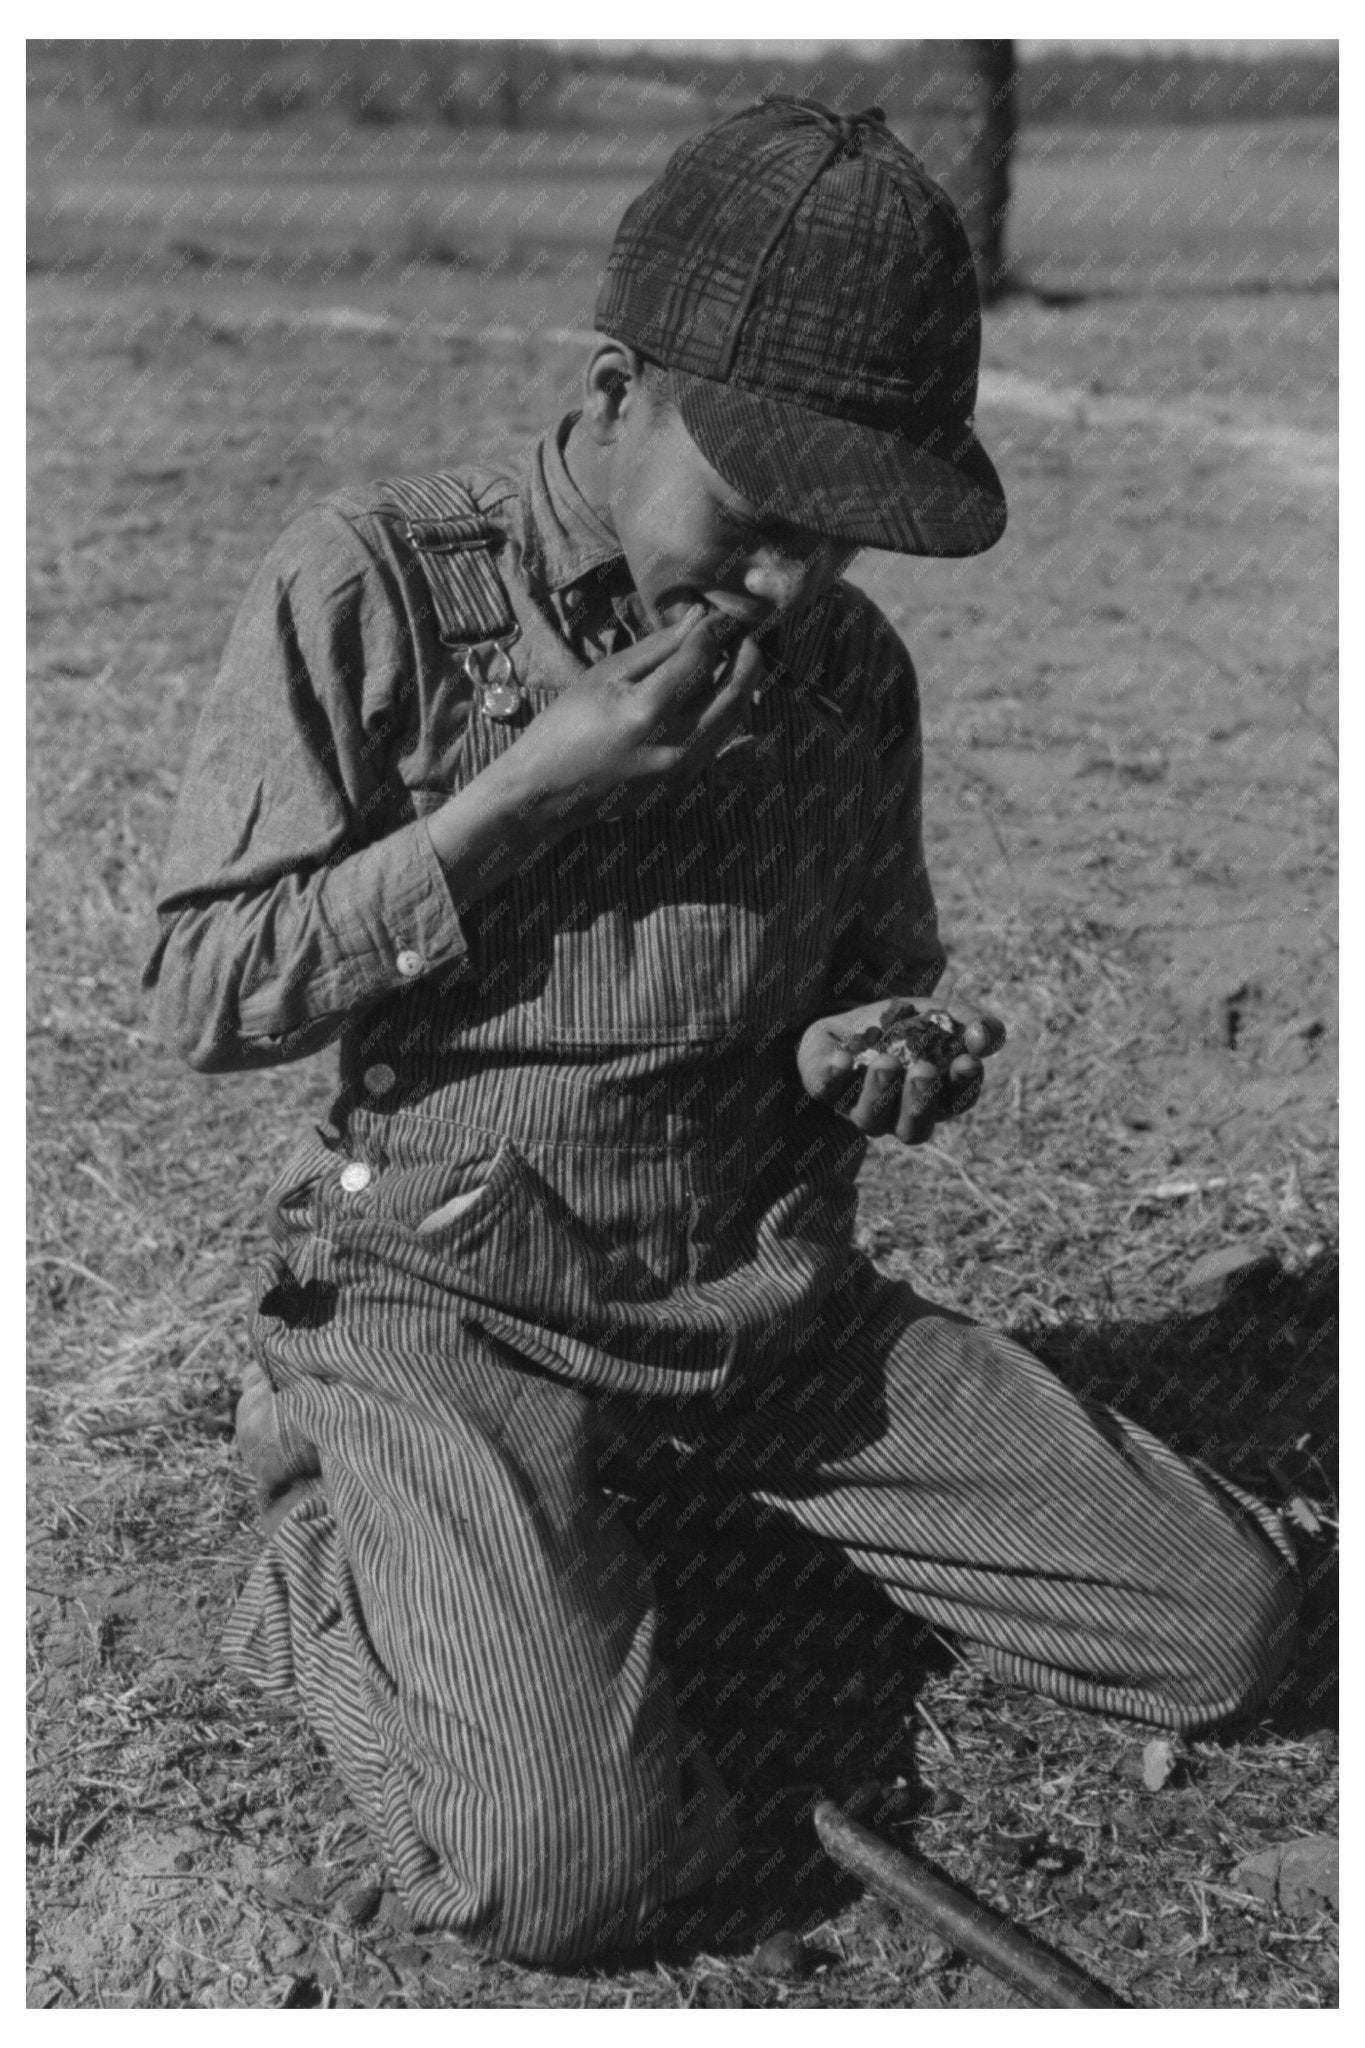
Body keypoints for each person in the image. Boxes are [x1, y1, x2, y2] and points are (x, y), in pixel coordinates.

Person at [144, 98, 1301, 1967]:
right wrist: (517, 791)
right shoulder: (369, 588)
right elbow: (207, 991)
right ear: (616, 391)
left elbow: (863, 972)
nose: (789, 588)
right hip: (460, 1299)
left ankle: (626, 1525)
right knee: (565, 1870)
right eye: (759, 522)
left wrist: (867, 1046)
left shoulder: (843, 670)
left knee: (1231, 1628)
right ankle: (332, 1536)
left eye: (841, 546)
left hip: (749, 1301)